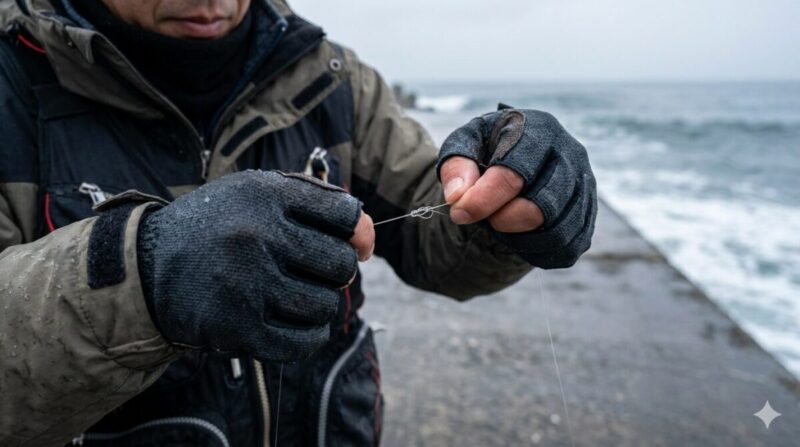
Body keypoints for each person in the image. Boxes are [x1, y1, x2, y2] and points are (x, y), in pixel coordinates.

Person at [0, 0, 597, 445]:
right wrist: (145, 276)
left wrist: (513, 199)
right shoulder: (11, 82)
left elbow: (439, 229)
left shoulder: (333, 80)